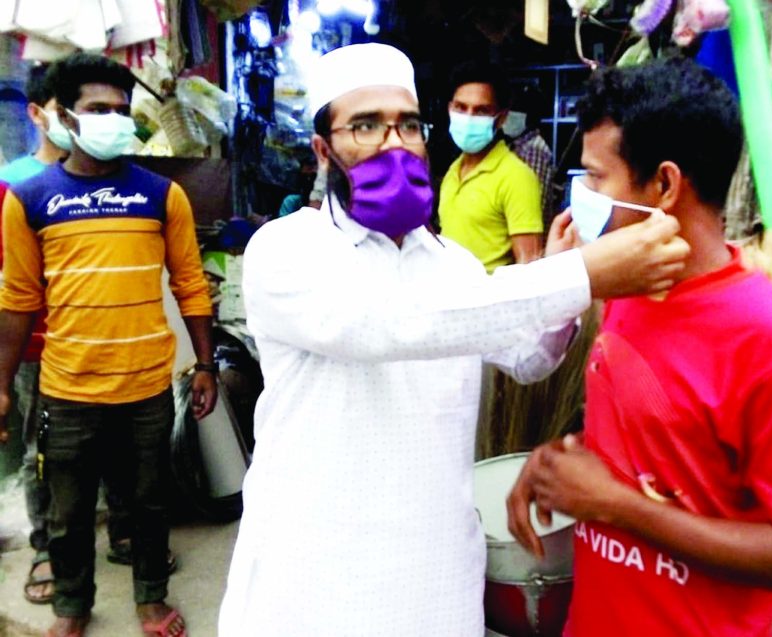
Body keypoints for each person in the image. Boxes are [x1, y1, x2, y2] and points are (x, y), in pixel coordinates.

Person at [218, 43, 689, 637]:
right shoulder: (287, 250)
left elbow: (525, 359)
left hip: (431, 566)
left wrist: (565, 297)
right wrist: (578, 275)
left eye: (407, 125)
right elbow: (387, 323)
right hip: (318, 568)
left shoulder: (452, 263)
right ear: (322, 149)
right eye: (365, 126)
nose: (394, 143)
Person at [506, 58, 772, 637]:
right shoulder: (631, 292)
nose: (580, 199)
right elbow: (656, 440)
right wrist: (558, 463)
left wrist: (619, 506)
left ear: (665, 186)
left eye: (596, 178)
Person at [0, 52, 217, 637]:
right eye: (99, 110)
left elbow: (191, 283)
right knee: (68, 513)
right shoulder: (30, 199)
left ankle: (150, 599)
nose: (114, 120)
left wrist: (205, 364)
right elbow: (19, 298)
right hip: (66, 387)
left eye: (122, 111)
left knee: (148, 505)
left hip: (145, 383)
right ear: (65, 117)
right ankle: (73, 608)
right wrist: (0, 387)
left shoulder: (160, 195)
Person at [0, 63, 70, 607]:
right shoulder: (12, 184)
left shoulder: (114, 179)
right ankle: (45, 544)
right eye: (66, 108)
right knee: (38, 447)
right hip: (37, 341)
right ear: (39, 113)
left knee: (110, 442)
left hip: (99, 339)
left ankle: (113, 530)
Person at [438, 61, 544, 272]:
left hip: (491, 302)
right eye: (461, 107)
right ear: (450, 109)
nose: (468, 117)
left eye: (481, 111)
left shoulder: (517, 177)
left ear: (501, 118)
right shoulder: (453, 172)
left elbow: (529, 267)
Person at [504, 83, 556, 226]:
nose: (507, 118)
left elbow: (531, 201)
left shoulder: (534, 150)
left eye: (513, 112)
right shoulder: (516, 146)